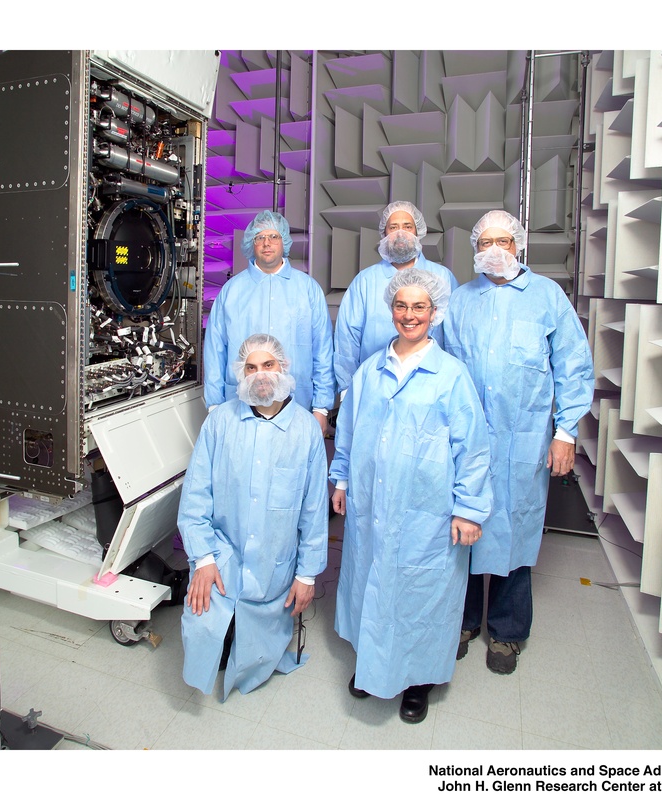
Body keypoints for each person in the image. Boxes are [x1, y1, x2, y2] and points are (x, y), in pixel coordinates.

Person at [330, 268, 492, 724]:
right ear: (392, 310)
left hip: (428, 511)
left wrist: (468, 509)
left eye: (419, 307)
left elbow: (473, 448)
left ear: (434, 312)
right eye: (401, 306)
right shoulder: (369, 372)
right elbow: (349, 432)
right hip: (372, 505)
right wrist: (341, 480)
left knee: (421, 593)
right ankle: (370, 665)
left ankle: (417, 680)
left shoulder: (451, 376)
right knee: (370, 583)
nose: (409, 315)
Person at [444, 209, 595, 675]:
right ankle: (462, 622)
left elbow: (574, 366)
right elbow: (445, 369)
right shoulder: (460, 301)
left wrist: (565, 432)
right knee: (462, 528)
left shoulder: (547, 297)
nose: (494, 249)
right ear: (474, 249)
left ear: (519, 245)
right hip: (467, 441)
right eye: (485, 241)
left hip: (524, 441)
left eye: (503, 241)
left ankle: (507, 632)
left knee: (515, 529)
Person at [179, 334, 329, 700]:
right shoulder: (220, 423)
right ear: (240, 374)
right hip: (222, 555)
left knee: (258, 647)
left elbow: (313, 511)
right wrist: (203, 559)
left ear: (284, 368)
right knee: (202, 626)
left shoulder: (306, 430)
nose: (260, 375)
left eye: (268, 365)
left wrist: (307, 575)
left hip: (272, 565)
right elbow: (196, 495)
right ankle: (223, 632)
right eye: (251, 367)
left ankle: (245, 640)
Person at [203, 210, 335, 436]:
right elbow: (215, 351)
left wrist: (321, 408)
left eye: (273, 237)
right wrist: (215, 406)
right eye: (259, 238)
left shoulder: (308, 289)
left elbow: (322, 350)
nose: (267, 243)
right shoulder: (232, 291)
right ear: (251, 244)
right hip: (240, 404)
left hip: (296, 402)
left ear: (284, 241)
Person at [333, 200, 459, 397]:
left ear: (419, 233)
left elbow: (454, 338)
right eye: (393, 227)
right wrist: (348, 388)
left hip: (431, 388)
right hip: (375, 387)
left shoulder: (442, 278)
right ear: (384, 235)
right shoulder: (365, 281)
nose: (400, 233)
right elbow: (347, 338)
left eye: (407, 227)